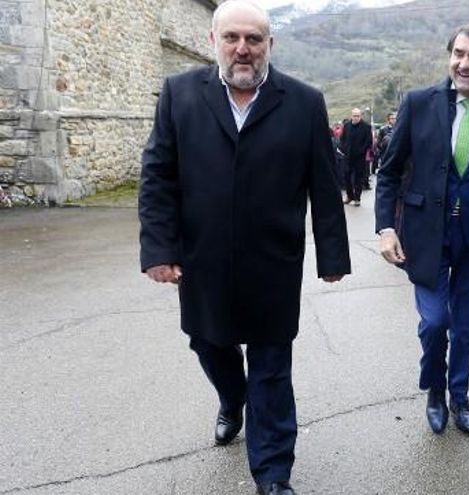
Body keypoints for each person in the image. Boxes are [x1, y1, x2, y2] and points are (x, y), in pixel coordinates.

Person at [138, 2, 351, 494]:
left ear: (269, 45)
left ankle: (273, 474)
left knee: (272, 369)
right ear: (213, 40)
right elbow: (158, 176)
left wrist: (333, 256)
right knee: (208, 343)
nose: (242, 48)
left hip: (273, 262)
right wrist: (158, 247)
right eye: (232, 37)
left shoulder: (303, 101)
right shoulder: (179, 94)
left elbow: (324, 182)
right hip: (201, 261)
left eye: (254, 39)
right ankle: (232, 400)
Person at [375, 25, 469, 435]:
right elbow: (387, 173)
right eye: (458, 53)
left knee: (465, 326)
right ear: (449, 56)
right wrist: (386, 227)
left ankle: (460, 395)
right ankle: (435, 389)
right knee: (435, 321)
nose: (464, 62)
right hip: (425, 236)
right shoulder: (419, 103)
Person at [340, 108, 373, 205]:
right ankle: (349, 196)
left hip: (360, 157)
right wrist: (344, 149)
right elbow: (342, 139)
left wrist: (361, 151)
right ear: (351, 116)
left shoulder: (366, 127)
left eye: (358, 116)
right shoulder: (347, 126)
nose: (356, 118)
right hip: (348, 156)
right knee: (346, 177)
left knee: (358, 178)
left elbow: (368, 142)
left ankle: (357, 198)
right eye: (354, 116)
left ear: (360, 116)